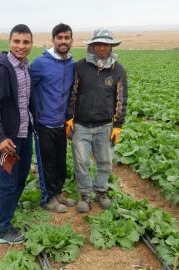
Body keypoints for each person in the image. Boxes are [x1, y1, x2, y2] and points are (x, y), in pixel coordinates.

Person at [66, 28, 128, 213]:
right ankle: (85, 194)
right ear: (92, 46)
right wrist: (69, 118)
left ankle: (101, 190)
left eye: (105, 44)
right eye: (98, 44)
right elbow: (72, 94)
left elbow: (121, 99)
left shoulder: (118, 70)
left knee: (105, 162)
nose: (101, 48)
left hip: (104, 126)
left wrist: (118, 125)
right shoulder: (80, 66)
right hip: (81, 126)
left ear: (110, 47)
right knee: (82, 162)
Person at [0, 24, 34, 244]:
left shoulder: (25, 67)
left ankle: (8, 215)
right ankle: (3, 230)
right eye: (17, 41)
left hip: (25, 135)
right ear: (9, 42)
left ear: (31, 44)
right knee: (7, 182)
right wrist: (0, 137)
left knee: (21, 178)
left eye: (25, 42)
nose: (21, 46)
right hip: (9, 141)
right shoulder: (2, 68)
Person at [30, 23, 76, 213]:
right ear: (53, 40)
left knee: (59, 161)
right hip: (44, 123)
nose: (63, 41)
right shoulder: (41, 63)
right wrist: (34, 111)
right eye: (60, 38)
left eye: (67, 38)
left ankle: (57, 193)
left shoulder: (71, 63)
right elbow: (27, 86)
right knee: (46, 162)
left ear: (71, 40)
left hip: (61, 123)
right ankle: (47, 198)